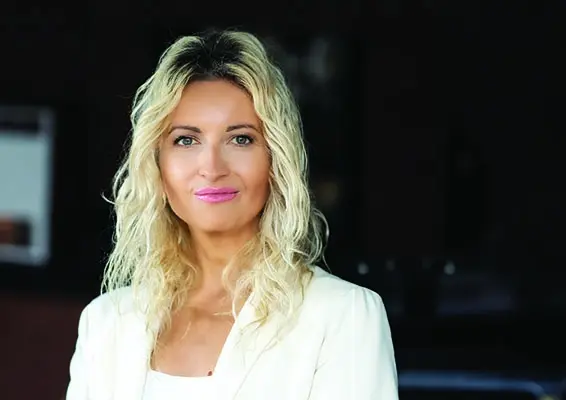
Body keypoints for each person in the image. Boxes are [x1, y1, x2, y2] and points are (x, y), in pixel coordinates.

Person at [66, 29, 398, 400]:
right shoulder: (106, 323)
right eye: (186, 140)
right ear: (156, 166)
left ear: (276, 161)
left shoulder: (343, 315)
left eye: (240, 139)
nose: (212, 167)